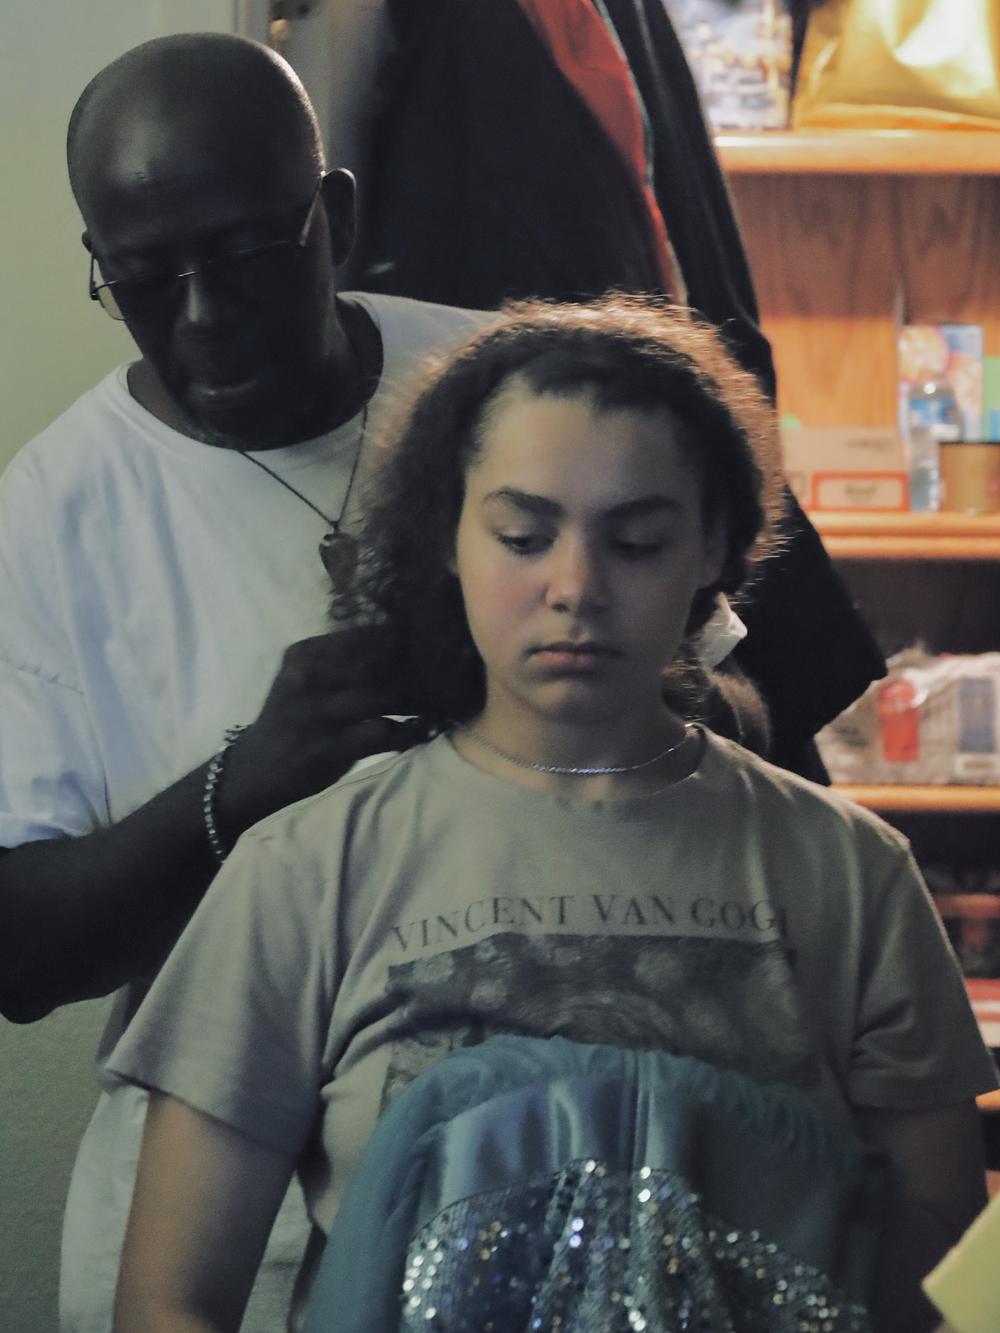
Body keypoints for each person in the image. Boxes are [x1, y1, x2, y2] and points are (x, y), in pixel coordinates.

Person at [106, 297, 997, 1332]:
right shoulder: (307, 870)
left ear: (713, 547)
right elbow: (168, 1302)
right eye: (524, 536)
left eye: (637, 540)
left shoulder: (851, 872)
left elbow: (944, 1297)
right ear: (449, 536)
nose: (576, 586)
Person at [0, 31, 497, 1333]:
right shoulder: (49, 516)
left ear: (333, 217)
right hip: (216, 1250)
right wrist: (238, 788)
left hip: (522, 1187)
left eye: (243, 255)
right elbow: (19, 954)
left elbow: (740, 728)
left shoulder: (505, 393)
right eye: (143, 279)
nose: (202, 320)